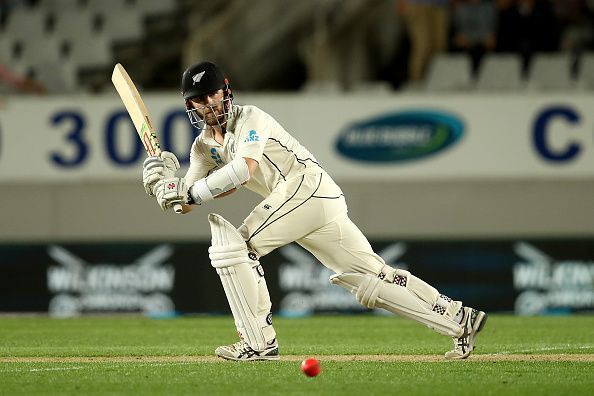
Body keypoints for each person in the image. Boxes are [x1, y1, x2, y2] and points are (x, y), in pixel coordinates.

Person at [142, 61, 487, 361]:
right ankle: (460, 318)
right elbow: (186, 203)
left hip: (305, 188)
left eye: (214, 93)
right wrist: (165, 187)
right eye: (201, 99)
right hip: (308, 202)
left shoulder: (251, 117)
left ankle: (258, 343)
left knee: (236, 248)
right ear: (191, 105)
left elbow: (243, 170)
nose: (210, 103)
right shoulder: (202, 148)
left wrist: (190, 191)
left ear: (226, 91)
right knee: (369, 279)